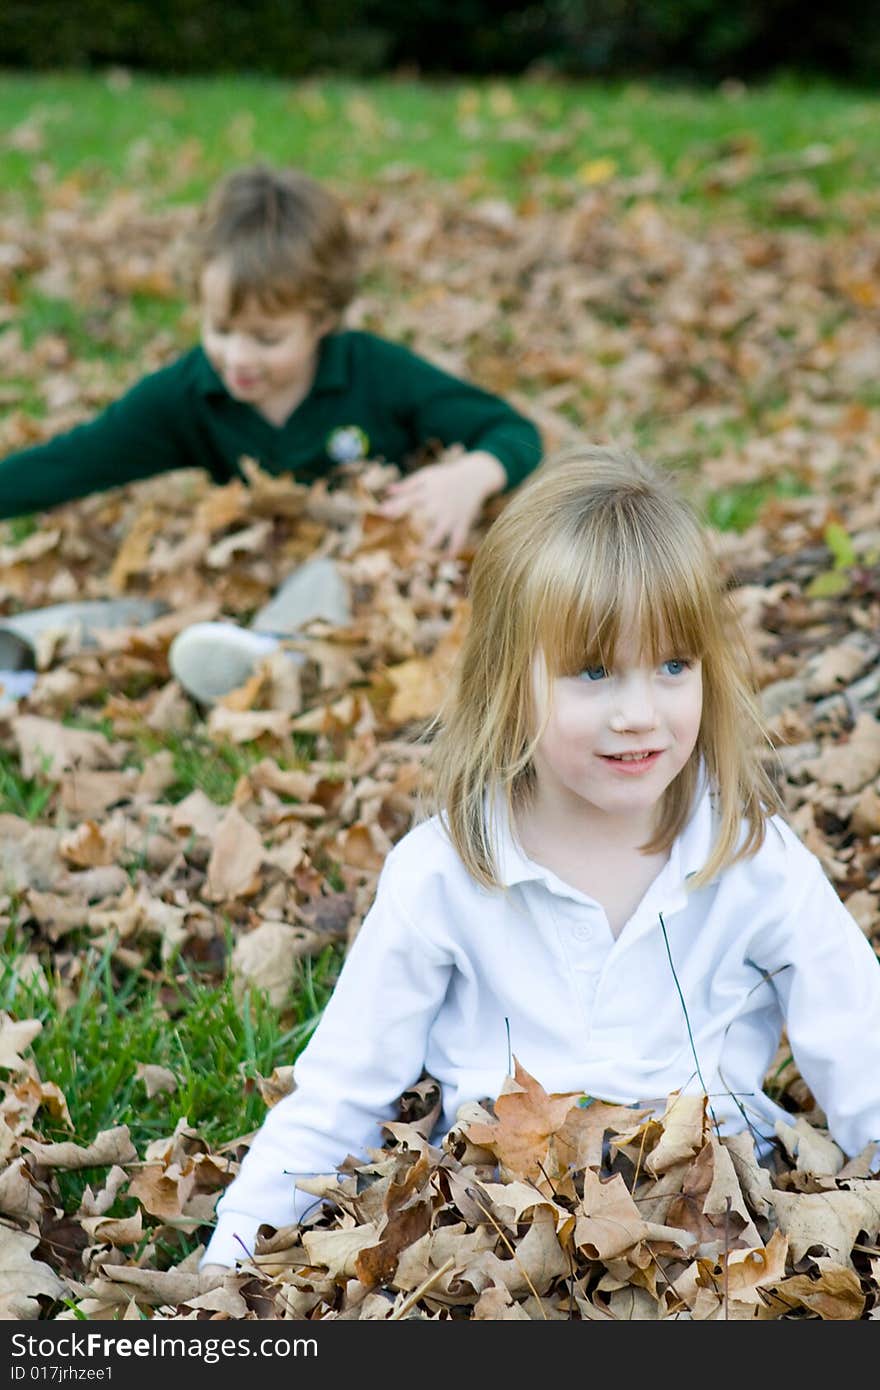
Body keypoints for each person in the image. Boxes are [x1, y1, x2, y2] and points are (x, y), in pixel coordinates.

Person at [198, 445, 880, 1275]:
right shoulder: (447, 871)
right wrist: (224, 1267)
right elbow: (339, 1094)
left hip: (710, 1237)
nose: (639, 714)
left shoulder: (750, 857)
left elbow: (865, 1058)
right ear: (506, 681)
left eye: (673, 666)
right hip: (497, 1236)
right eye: (592, 672)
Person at [0, 164, 541, 702]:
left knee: (332, 576)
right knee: (172, 600)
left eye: (267, 338)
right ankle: (25, 641)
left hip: (353, 569)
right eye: (221, 329)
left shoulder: (376, 373)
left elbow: (512, 430)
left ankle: (266, 659)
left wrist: (474, 473)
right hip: (244, 573)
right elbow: (73, 461)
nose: (237, 358)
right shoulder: (187, 393)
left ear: (323, 318)